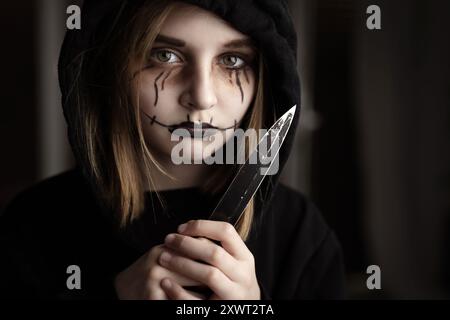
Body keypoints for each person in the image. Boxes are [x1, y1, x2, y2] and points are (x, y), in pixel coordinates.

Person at [0, 0, 345, 299]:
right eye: (165, 55)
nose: (202, 96)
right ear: (110, 69)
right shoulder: (33, 225)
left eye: (233, 60)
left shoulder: (300, 233)